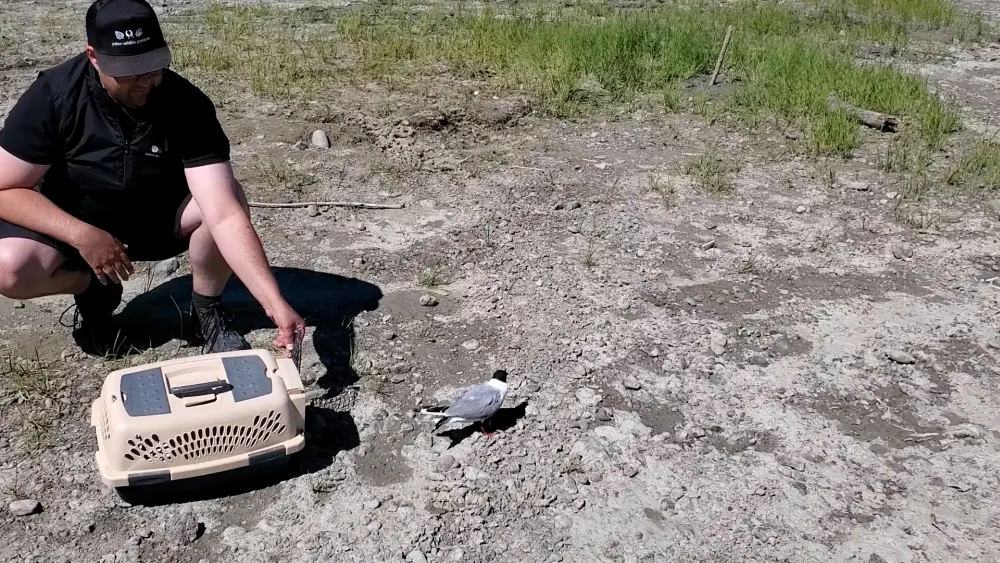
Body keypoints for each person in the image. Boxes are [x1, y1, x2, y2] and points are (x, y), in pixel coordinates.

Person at [0, 0, 306, 357]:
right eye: (129, 72)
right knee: (8, 267)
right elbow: (5, 187)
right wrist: (80, 234)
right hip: (80, 225)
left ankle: (206, 310)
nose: (145, 81)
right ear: (94, 57)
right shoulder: (54, 96)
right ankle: (91, 287)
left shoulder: (186, 103)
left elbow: (223, 213)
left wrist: (273, 302)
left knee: (229, 195)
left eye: (153, 66)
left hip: (160, 222)